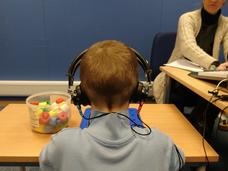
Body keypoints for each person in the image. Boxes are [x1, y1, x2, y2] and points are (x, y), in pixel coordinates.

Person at [39, 40, 185, 171]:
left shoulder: (61, 145)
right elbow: (178, 161)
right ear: (137, 92)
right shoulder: (161, 144)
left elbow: (46, 163)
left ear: (81, 94)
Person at [153, 0, 228, 104]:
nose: (214, 0)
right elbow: (188, 47)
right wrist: (214, 65)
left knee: (218, 95)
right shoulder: (187, 18)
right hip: (178, 78)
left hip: (207, 77)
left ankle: (199, 120)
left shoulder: (226, 24)